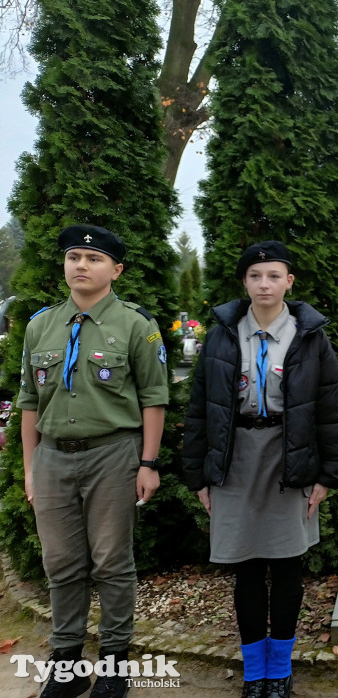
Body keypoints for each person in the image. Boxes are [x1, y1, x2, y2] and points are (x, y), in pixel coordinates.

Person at [182, 241, 338, 698]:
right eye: (255, 276)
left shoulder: (310, 336)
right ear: (244, 282)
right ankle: (254, 669)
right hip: (235, 458)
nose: (264, 284)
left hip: (288, 458)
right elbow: (200, 408)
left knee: (288, 567)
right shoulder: (222, 334)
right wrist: (198, 476)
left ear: (288, 281)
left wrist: (327, 475)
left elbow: (330, 411)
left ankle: (281, 666)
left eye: (274, 275)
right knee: (248, 570)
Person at [19, 225, 168, 698]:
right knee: (60, 561)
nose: (81, 265)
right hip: (53, 460)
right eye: (74, 256)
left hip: (113, 456)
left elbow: (154, 398)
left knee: (110, 562)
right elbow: (28, 403)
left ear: (115, 270)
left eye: (93, 258)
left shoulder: (135, 325)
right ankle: (66, 662)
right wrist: (29, 468)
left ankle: (113, 662)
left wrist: (148, 462)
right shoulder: (40, 325)